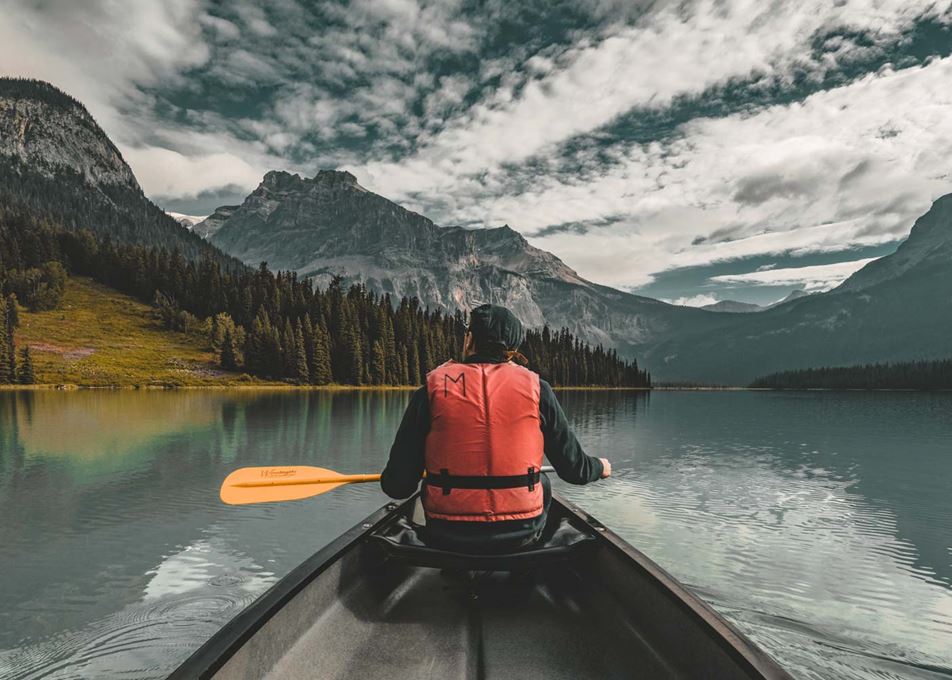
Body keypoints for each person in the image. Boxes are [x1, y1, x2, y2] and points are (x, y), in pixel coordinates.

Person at [381, 303, 611, 553]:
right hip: (522, 534)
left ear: (469, 340)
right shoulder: (538, 389)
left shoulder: (431, 391)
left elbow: (397, 487)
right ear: (513, 351)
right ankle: (521, 574)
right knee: (541, 481)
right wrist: (601, 467)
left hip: (447, 534)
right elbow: (574, 470)